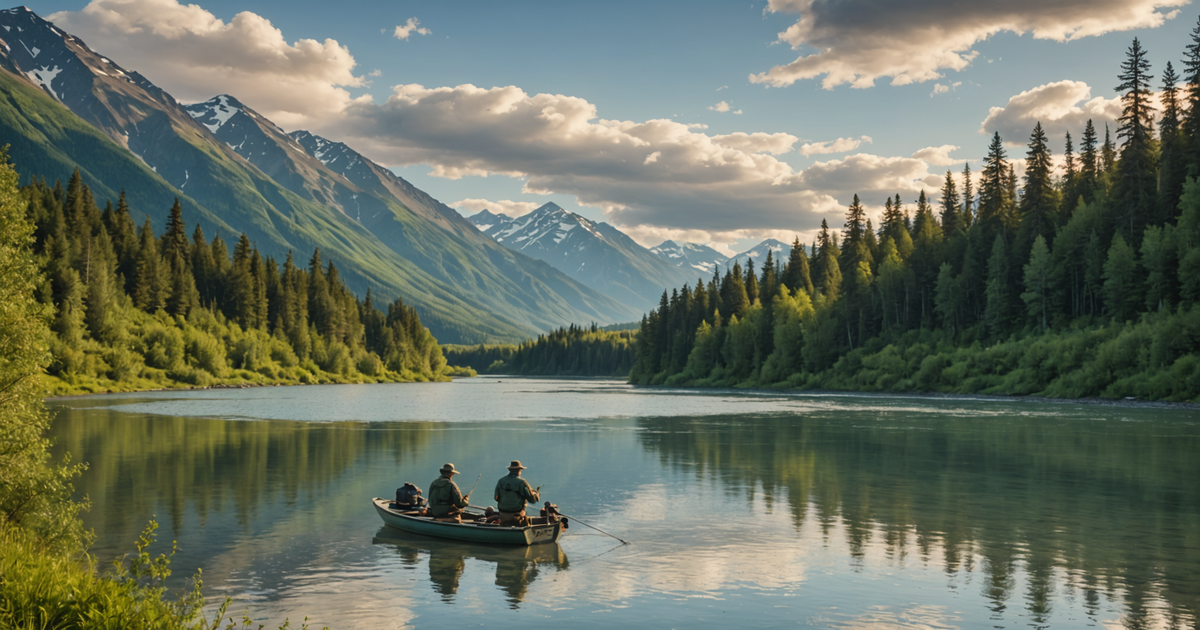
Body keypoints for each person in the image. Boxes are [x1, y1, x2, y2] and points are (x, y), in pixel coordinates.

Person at [493, 460, 540, 527]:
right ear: (519, 470)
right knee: (524, 506)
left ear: (510, 470)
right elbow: (532, 500)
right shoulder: (522, 482)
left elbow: (496, 498)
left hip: (503, 515)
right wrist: (536, 495)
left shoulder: (501, 481)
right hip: (517, 516)